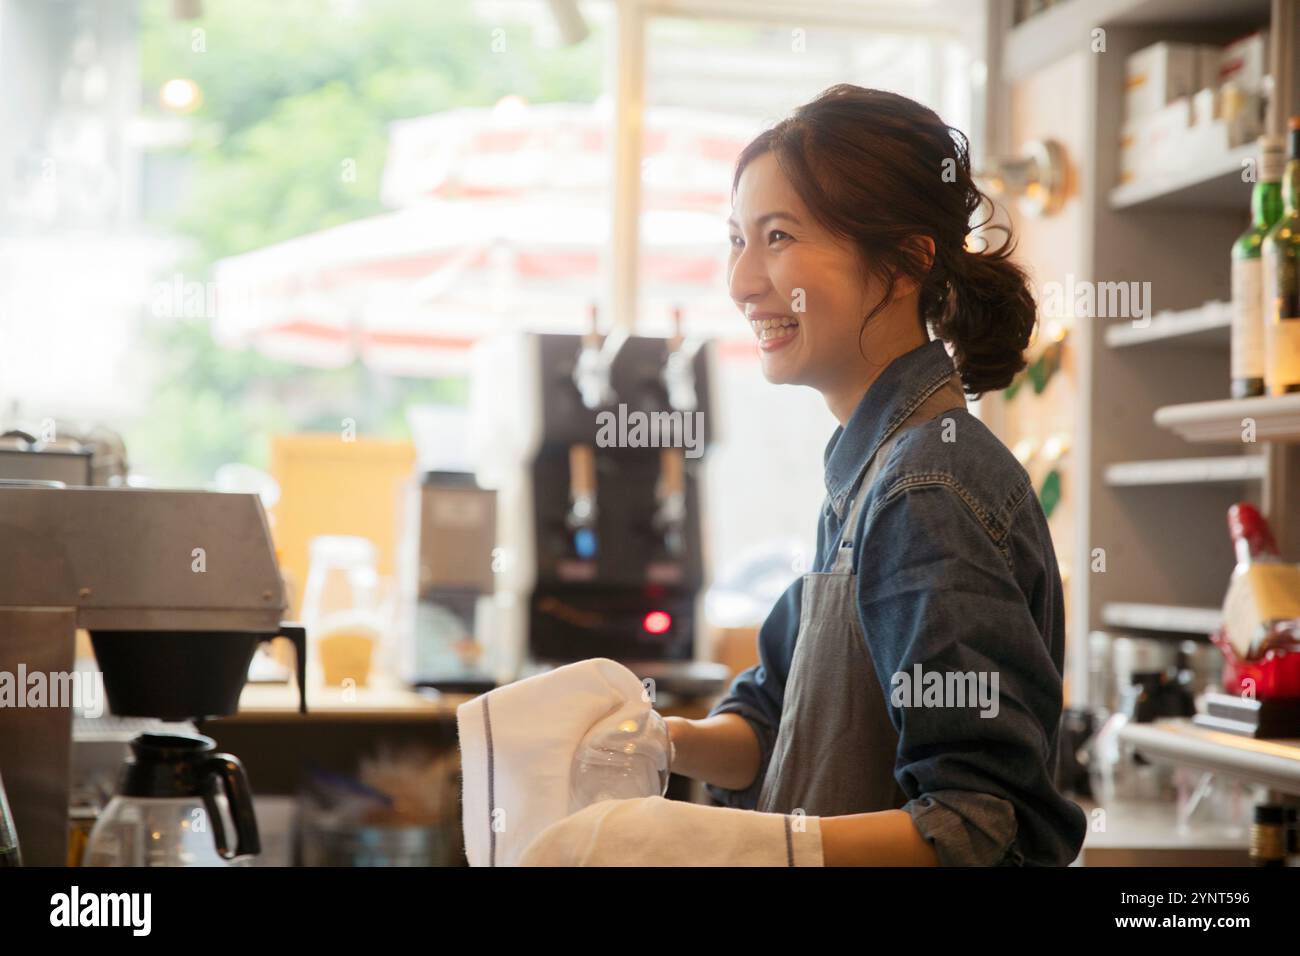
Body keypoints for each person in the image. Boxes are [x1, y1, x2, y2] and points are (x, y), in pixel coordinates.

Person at [664, 84, 1086, 866]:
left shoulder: (926, 489)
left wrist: (734, 848)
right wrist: (649, 740)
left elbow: (980, 823)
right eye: (737, 240)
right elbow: (772, 718)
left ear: (905, 261)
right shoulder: (869, 472)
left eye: (779, 237)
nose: (743, 282)